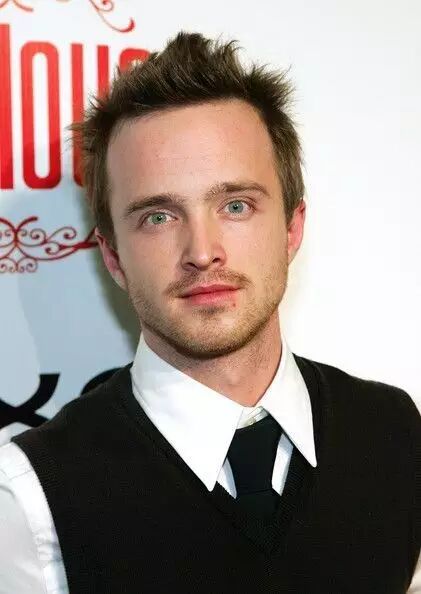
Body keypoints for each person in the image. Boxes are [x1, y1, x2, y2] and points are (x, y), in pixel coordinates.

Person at [0, 31, 419, 594]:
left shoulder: (395, 433)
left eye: (236, 205)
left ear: (292, 228)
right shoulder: (30, 501)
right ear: (113, 256)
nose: (202, 251)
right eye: (158, 217)